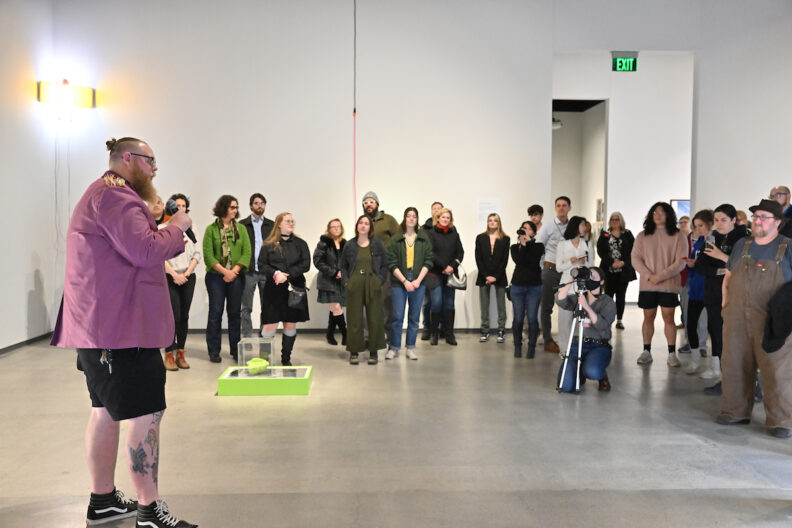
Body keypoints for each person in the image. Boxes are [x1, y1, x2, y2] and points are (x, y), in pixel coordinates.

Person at [50, 137, 197, 527]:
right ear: (127, 159)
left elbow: (131, 246)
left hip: (102, 328)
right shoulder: (115, 197)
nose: (155, 169)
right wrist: (178, 226)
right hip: (121, 329)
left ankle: (103, 502)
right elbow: (145, 251)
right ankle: (149, 510)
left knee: (105, 411)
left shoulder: (104, 193)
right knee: (146, 414)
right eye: (150, 161)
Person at [717, 199, 792, 439]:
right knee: (734, 363)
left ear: (778, 223)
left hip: (773, 320)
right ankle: (735, 411)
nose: (757, 221)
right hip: (737, 316)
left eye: (763, 217)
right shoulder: (742, 245)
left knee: (777, 370)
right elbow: (727, 278)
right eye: (755, 216)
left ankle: (782, 420)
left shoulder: (787, 248)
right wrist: (725, 306)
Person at [694, 204, 748, 394]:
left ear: (734, 220)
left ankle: (739, 383)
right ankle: (724, 379)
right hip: (713, 294)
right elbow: (700, 266)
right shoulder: (713, 237)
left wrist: (721, 256)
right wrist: (719, 269)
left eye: (723, 220)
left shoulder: (743, 238)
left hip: (734, 295)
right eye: (716, 220)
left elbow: (743, 265)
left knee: (734, 339)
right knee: (716, 334)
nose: (719, 224)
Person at [632, 202, 688, 367]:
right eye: (655, 212)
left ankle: (672, 353)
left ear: (669, 215)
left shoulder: (678, 236)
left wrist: (661, 276)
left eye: (662, 212)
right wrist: (649, 275)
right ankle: (646, 351)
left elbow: (681, 262)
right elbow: (635, 258)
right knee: (648, 317)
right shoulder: (642, 235)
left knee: (669, 318)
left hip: (669, 285)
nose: (658, 215)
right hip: (648, 285)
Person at [259, 213, 311, 366]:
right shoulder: (268, 244)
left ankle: (286, 359)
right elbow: (262, 264)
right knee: (269, 324)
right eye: (288, 221)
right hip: (273, 289)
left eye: (292, 221)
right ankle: (264, 360)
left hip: (294, 289)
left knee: (290, 324)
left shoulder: (301, 243)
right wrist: (275, 273)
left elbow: (305, 264)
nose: (291, 223)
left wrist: (286, 276)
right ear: (279, 224)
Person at [203, 195, 250, 363]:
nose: (235, 210)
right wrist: (225, 272)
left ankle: (236, 350)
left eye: (236, 207)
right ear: (223, 208)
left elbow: (246, 253)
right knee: (215, 313)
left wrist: (234, 271)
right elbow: (208, 256)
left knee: (234, 314)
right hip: (216, 277)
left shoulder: (241, 229)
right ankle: (214, 351)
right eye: (232, 207)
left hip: (236, 276)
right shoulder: (211, 230)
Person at [556, 266, 616, 393]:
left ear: (602, 282)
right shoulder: (578, 298)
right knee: (565, 387)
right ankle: (580, 370)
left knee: (592, 372)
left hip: (599, 346)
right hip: (577, 344)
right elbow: (560, 300)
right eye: (588, 276)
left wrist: (586, 307)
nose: (590, 279)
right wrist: (572, 277)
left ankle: (598, 372)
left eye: (593, 277)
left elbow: (601, 325)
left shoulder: (608, 302)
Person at [340, 215, 389, 364]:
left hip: (372, 283)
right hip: (354, 284)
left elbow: (385, 265)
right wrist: (347, 282)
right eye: (361, 223)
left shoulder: (377, 244)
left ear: (370, 227)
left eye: (366, 223)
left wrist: (379, 280)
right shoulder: (349, 245)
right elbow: (342, 266)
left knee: (374, 318)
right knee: (354, 318)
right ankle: (354, 352)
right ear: (357, 226)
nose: (363, 225)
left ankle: (373, 352)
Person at [161, 193, 201, 371]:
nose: (180, 209)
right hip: (169, 276)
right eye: (177, 205)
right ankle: (169, 353)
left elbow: (197, 253)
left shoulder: (192, 228)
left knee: (184, 316)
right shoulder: (163, 227)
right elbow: (160, 256)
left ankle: (181, 353)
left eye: (183, 206)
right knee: (172, 316)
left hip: (188, 276)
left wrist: (187, 273)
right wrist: (174, 274)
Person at [387, 207, 433, 360]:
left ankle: (410, 348)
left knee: (414, 317)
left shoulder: (423, 238)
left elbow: (428, 260)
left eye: (414, 216)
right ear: (404, 219)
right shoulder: (396, 238)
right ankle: (394, 347)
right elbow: (391, 262)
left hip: (419, 280)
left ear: (417, 219)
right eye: (409, 216)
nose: (411, 219)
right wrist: (405, 281)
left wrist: (418, 280)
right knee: (397, 316)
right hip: (399, 280)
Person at [362, 191, 401, 347]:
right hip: (367, 269)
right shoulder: (363, 222)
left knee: (386, 304)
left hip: (385, 269)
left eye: (371, 201)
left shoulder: (388, 220)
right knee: (367, 303)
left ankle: (390, 338)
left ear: (377, 204)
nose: (368, 204)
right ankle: (366, 338)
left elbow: (399, 240)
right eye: (365, 202)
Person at [555, 216, 596, 355]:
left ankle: (580, 350)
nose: (585, 228)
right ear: (575, 226)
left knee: (582, 321)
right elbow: (559, 268)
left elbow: (592, 267)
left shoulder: (588, 244)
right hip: (566, 287)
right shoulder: (563, 244)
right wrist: (571, 262)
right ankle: (564, 350)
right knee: (564, 321)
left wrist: (584, 263)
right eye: (582, 225)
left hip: (582, 288)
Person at [536, 196, 571, 353]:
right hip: (550, 270)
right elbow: (538, 246)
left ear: (569, 208)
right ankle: (548, 340)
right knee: (547, 307)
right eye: (558, 205)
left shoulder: (573, 226)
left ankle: (566, 337)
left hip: (566, 271)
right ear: (555, 208)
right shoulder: (549, 226)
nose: (561, 208)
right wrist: (542, 266)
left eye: (564, 205)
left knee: (567, 305)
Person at [425, 208, 465, 346]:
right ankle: (434, 334)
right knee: (436, 303)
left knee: (449, 304)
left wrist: (452, 267)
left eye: (448, 218)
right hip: (434, 274)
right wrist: (444, 267)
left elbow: (460, 253)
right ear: (438, 218)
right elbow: (430, 253)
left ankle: (449, 334)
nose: (446, 219)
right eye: (443, 217)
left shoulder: (455, 234)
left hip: (450, 273)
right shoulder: (430, 233)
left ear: (451, 219)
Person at [682, 210, 714, 374]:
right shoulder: (699, 242)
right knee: (691, 324)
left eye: (701, 225)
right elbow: (697, 265)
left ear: (709, 224)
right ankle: (695, 360)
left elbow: (714, 266)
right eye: (695, 226)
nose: (698, 229)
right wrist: (691, 264)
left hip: (710, 289)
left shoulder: (713, 241)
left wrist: (696, 264)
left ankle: (715, 367)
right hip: (695, 288)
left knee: (713, 329)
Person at [239, 193, 274, 337]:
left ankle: (264, 335)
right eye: (256, 203)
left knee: (267, 306)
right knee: (246, 307)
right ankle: (247, 336)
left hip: (266, 270)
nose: (260, 206)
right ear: (250, 206)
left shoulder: (271, 225)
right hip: (249, 271)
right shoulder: (242, 224)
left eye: (262, 203)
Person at [510, 221, 545, 358]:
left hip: (534, 286)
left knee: (532, 318)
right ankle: (517, 346)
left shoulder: (538, 246)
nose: (524, 231)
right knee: (518, 318)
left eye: (528, 229)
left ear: (534, 233)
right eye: (522, 228)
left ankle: (531, 347)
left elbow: (532, 260)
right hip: (517, 286)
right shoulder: (514, 247)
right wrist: (523, 245)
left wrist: (528, 243)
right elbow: (520, 261)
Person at [596, 212, 636, 330]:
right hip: (608, 270)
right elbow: (600, 250)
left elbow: (633, 251)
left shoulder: (627, 234)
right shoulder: (605, 234)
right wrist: (611, 262)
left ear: (621, 221)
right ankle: (607, 319)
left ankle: (619, 320)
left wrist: (623, 262)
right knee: (608, 295)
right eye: (612, 219)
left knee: (621, 296)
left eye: (617, 219)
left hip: (623, 271)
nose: (614, 221)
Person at [475, 213, 510, 343]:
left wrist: (495, 276)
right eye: (490, 220)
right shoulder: (480, 238)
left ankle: (501, 330)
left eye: (495, 220)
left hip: (499, 275)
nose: (492, 222)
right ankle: (485, 330)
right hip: (483, 275)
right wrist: (486, 275)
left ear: (499, 223)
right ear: (487, 222)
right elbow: (478, 258)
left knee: (501, 305)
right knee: (484, 305)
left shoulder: (505, 239)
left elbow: (504, 260)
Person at [313, 219, 347, 345]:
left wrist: (344, 273)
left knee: (335, 309)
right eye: (333, 227)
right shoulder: (323, 243)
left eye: (338, 226)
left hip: (341, 282)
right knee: (337, 308)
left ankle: (329, 334)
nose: (336, 229)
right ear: (329, 229)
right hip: (328, 281)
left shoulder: (345, 243)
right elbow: (317, 261)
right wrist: (334, 272)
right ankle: (345, 335)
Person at [421, 201, 444, 340]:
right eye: (434, 209)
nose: (436, 211)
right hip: (429, 271)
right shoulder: (424, 228)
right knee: (427, 302)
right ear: (431, 211)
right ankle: (427, 328)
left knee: (440, 302)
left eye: (439, 209)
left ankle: (439, 327)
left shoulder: (448, 228)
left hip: (444, 271)